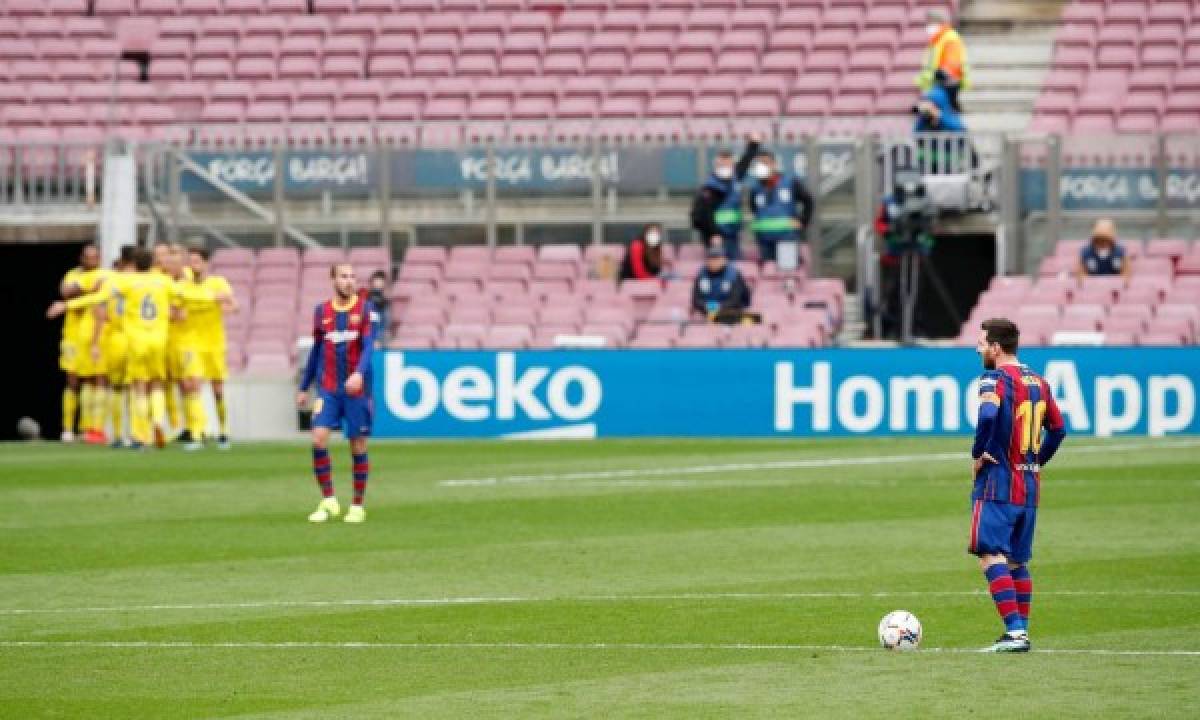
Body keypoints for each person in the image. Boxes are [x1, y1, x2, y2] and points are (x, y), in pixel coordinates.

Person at [970, 318, 1067, 653]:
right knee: (1015, 561)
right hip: (1028, 485)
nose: (978, 348)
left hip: (998, 483)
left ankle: (1014, 633)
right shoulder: (1039, 382)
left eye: (982, 342)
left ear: (997, 347)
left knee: (989, 554)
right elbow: (1058, 429)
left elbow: (986, 416)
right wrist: (1036, 461)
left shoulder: (993, 379)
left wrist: (978, 453)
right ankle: (1020, 633)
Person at [296, 263, 380, 524]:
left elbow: (368, 347)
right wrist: (304, 386)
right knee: (318, 439)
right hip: (329, 388)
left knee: (357, 445)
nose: (349, 281)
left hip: (357, 390)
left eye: (353, 276)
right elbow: (316, 350)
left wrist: (358, 373)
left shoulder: (366, 310)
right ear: (332, 279)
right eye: (343, 276)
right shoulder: (321, 312)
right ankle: (329, 500)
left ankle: (357, 505)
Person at [178, 247, 238, 450]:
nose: (193, 265)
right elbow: (174, 307)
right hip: (191, 342)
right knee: (192, 385)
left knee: (217, 389)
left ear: (205, 264)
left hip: (214, 343)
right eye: (190, 261)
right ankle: (197, 434)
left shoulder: (218, 283)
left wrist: (226, 306)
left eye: (197, 261)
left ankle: (223, 430)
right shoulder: (182, 286)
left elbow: (233, 305)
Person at [48, 243, 108, 444]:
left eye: (95, 257)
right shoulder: (72, 273)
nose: (92, 260)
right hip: (72, 336)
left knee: (95, 380)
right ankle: (67, 428)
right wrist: (88, 289)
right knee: (72, 380)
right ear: (81, 259)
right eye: (89, 257)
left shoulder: (104, 274)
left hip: (94, 334)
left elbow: (92, 296)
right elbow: (65, 291)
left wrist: (80, 291)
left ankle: (91, 428)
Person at [691, 134, 761, 261]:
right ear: (716, 165)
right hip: (716, 237)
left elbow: (745, 162)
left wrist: (753, 145)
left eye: (728, 164)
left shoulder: (734, 179)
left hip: (733, 235)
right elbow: (702, 216)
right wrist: (713, 234)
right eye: (722, 164)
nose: (725, 168)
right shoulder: (709, 188)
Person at [747, 151, 814, 264]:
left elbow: (808, 201)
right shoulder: (755, 188)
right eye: (759, 164)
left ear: (773, 164)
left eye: (765, 163)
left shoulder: (790, 182)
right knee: (768, 275)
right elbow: (754, 209)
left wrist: (803, 221)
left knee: (787, 273)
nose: (761, 166)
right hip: (765, 241)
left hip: (787, 239)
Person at [915, 9, 970, 113]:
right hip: (937, 85)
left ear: (938, 22)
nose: (927, 26)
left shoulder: (949, 39)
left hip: (945, 85)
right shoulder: (938, 39)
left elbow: (951, 64)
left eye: (929, 22)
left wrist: (942, 75)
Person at [691, 245, 751, 323]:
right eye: (711, 259)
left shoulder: (734, 275)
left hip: (731, 313)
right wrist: (708, 307)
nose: (714, 262)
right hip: (706, 313)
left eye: (717, 259)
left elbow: (736, 299)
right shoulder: (701, 275)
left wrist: (718, 307)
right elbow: (696, 300)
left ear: (724, 260)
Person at [367, 270, 391, 349]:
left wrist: (378, 339)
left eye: (381, 283)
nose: (378, 285)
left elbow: (385, 323)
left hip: (380, 340)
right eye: (376, 282)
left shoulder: (385, 303)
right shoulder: (365, 300)